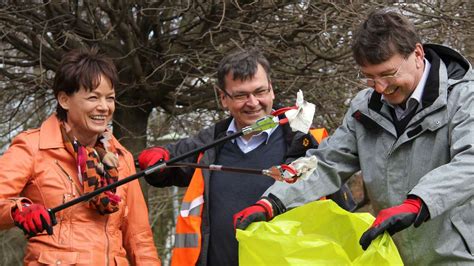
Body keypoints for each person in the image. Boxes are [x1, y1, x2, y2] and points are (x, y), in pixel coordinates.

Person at [234, 9, 474, 265]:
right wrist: (274, 201)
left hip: (456, 256)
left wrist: (418, 203)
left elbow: (469, 163)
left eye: (387, 74)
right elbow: (327, 162)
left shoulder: (464, 98)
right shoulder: (364, 108)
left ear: (417, 54)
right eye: (369, 77)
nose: (380, 88)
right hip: (390, 256)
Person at [138, 48, 356, 266]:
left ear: (272, 90)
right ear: (223, 98)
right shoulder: (211, 143)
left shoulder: (306, 144)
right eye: (241, 95)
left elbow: (345, 218)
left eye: (260, 91)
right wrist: (156, 158)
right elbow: (167, 167)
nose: (253, 103)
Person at [0, 48, 161, 265]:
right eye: (93, 97)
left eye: (110, 98)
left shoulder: (120, 158)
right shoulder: (32, 147)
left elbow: (139, 238)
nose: (104, 107)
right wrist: (19, 210)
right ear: (65, 100)